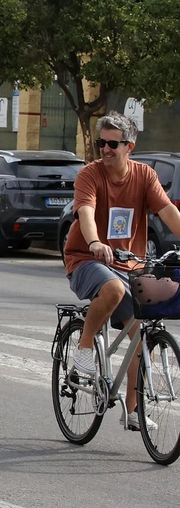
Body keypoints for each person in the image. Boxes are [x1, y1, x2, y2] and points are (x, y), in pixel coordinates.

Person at [63, 112, 180, 425]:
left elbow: (168, 211)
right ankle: (84, 348)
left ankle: (132, 411)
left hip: (130, 264)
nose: (105, 149)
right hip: (86, 258)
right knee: (112, 288)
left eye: (113, 144)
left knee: (142, 338)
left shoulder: (144, 175)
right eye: (101, 142)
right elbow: (86, 213)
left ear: (130, 146)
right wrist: (93, 242)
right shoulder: (90, 175)